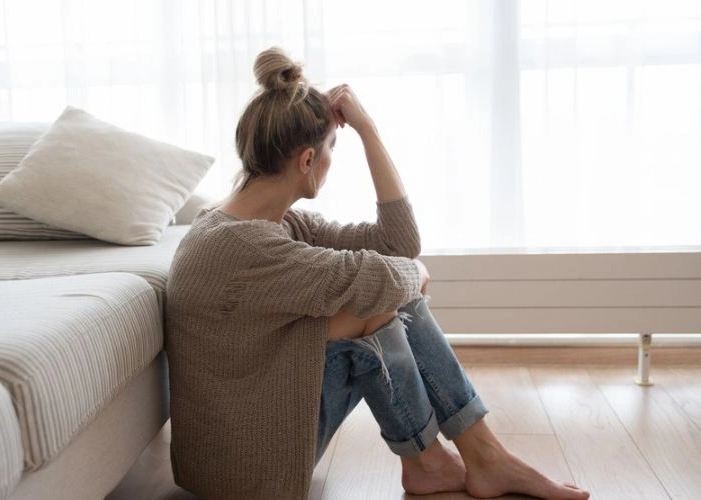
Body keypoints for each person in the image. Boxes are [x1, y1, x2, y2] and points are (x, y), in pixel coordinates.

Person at [165, 47, 590, 500]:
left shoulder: (266, 225)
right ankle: (472, 459)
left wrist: (368, 130)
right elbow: (389, 275)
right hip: (246, 472)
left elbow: (397, 241)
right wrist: (415, 273)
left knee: (375, 304)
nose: (332, 160)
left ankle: (438, 462)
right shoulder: (246, 248)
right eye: (332, 149)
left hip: (235, 448)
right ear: (307, 161)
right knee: (379, 305)